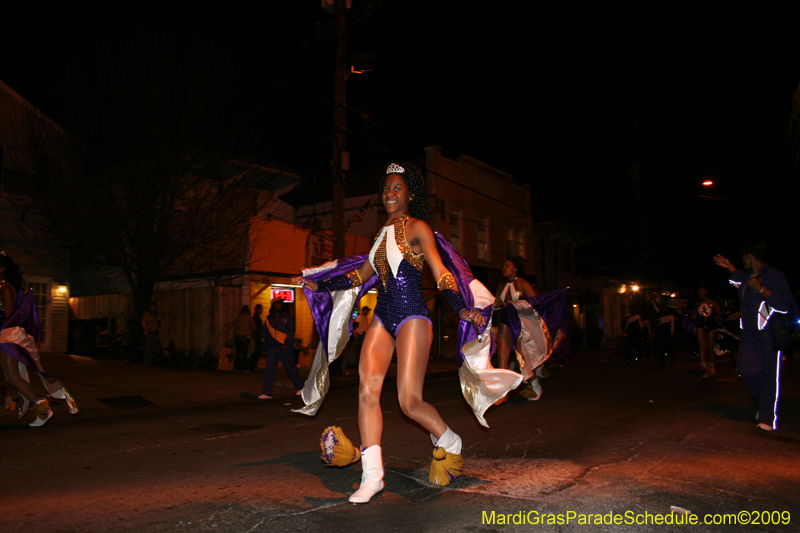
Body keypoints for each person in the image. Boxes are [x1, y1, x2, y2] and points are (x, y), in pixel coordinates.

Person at [292, 162, 522, 504]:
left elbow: (441, 272)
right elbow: (357, 278)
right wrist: (318, 284)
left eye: (397, 188)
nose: (390, 193)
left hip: (413, 314)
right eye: (385, 188)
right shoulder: (379, 237)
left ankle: (449, 439)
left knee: (408, 402)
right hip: (384, 315)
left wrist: (460, 307)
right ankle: (373, 476)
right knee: (367, 388)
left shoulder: (417, 228)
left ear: (410, 194)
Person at [714, 244, 795, 431]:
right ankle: (765, 403)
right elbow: (737, 280)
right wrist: (729, 266)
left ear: (749, 256)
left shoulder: (773, 275)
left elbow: (784, 304)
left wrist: (761, 289)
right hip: (749, 334)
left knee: (767, 374)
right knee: (746, 370)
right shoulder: (746, 277)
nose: (743, 262)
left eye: (744, 258)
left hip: (768, 332)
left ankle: (767, 417)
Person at [0, 253, 56, 426]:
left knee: (12, 378)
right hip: (3, 336)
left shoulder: (5, 288)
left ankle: (43, 409)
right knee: (10, 378)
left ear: (1, 268)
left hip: (7, 337)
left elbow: (9, 317)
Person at [493, 257, 540, 403]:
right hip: (505, 322)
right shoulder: (501, 286)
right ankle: (503, 393)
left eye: (507, 265)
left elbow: (535, 302)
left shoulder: (522, 283)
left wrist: (515, 304)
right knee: (502, 355)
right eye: (503, 266)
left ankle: (534, 384)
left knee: (522, 358)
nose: (504, 268)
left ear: (515, 269)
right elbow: (495, 304)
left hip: (520, 323)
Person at [259, 298, 304, 399]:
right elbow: (265, 335)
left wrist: (288, 342)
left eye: (281, 303)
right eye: (277, 303)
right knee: (269, 370)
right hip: (272, 347)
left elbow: (291, 331)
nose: (280, 305)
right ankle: (267, 392)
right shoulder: (268, 319)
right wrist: (264, 349)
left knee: (290, 367)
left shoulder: (287, 317)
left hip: (284, 347)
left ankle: (300, 387)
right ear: (273, 305)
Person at [693, 285, 722, 377]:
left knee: (710, 347)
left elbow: (720, 314)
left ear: (706, 292)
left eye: (701, 291)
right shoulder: (698, 304)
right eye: (699, 291)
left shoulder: (713, 303)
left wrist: (718, 317)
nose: (699, 293)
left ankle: (711, 366)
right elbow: (694, 315)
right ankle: (704, 366)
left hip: (711, 325)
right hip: (701, 325)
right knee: (702, 347)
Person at [233, 305, 253, 371]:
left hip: (238, 335)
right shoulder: (250, 318)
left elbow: (233, 324)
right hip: (245, 335)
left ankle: (236, 367)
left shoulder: (239, 317)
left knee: (238, 352)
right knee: (245, 352)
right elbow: (254, 327)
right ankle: (244, 367)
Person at [250, 304, 264, 371]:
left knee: (257, 350)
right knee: (258, 350)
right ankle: (253, 365)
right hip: (257, 335)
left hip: (256, 335)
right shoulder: (256, 318)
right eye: (261, 309)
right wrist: (261, 333)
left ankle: (253, 365)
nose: (262, 310)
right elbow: (257, 327)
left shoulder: (256, 317)